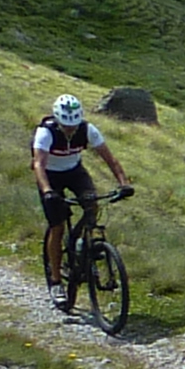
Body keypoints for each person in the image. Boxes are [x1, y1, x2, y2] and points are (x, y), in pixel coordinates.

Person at [31, 94, 131, 308]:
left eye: (74, 125)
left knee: (92, 206)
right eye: (66, 126)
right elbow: (38, 164)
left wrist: (124, 183)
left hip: (75, 172)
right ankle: (56, 281)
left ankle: (80, 245)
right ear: (58, 121)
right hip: (50, 175)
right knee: (57, 226)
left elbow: (110, 159)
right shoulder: (46, 132)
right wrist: (48, 191)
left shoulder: (87, 130)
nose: (70, 129)